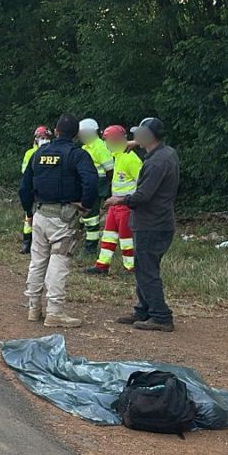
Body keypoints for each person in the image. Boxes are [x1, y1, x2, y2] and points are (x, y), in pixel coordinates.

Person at [19, 114, 100, 328]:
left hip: (40, 214)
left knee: (37, 260)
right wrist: (86, 204)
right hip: (63, 218)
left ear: (55, 132)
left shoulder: (39, 154)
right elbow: (91, 182)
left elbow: (24, 187)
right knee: (59, 260)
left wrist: (29, 211)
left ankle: (33, 307)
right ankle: (54, 311)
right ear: (76, 135)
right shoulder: (77, 155)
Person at [105, 117, 179, 331]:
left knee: (147, 270)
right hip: (157, 221)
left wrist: (119, 200)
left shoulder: (156, 162)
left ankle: (161, 316)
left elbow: (143, 196)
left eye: (139, 134)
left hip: (151, 223)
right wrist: (136, 143)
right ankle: (143, 310)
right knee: (143, 267)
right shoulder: (166, 153)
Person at [86, 124, 144, 275]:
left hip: (126, 206)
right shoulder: (117, 157)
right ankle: (102, 266)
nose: (106, 144)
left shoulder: (130, 158)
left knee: (126, 239)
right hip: (115, 206)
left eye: (108, 140)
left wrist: (128, 201)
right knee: (108, 235)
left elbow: (142, 184)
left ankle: (130, 268)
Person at [77, 118, 115, 256]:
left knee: (91, 216)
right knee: (84, 216)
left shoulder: (100, 147)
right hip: (86, 185)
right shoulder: (85, 147)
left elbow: (110, 170)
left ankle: (90, 248)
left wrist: (110, 191)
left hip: (98, 185)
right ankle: (82, 240)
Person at [19, 125, 52, 254]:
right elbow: (25, 171)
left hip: (43, 188)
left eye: (46, 137)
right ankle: (26, 241)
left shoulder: (51, 151)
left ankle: (40, 242)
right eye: (41, 137)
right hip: (31, 187)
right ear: (35, 139)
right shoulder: (30, 153)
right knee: (29, 215)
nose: (43, 140)